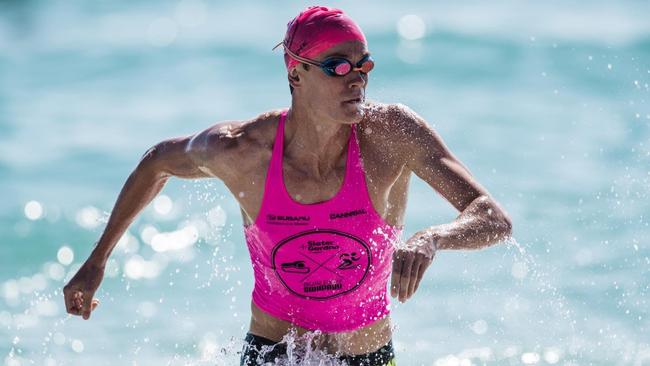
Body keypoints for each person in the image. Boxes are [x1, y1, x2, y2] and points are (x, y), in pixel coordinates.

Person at [63, 5, 513, 366]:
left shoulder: (391, 135)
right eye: (338, 66)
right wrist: (97, 261)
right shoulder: (241, 150)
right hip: (275, 354)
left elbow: (492, 216)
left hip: (367, 356)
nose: (357, 77)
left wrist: (432, 238)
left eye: (364, 64)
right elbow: (156, 162)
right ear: (295, 72)